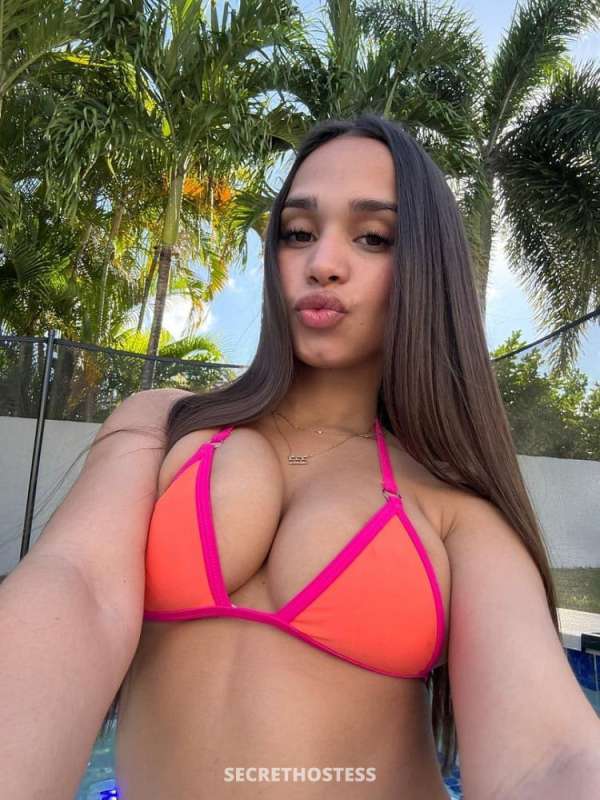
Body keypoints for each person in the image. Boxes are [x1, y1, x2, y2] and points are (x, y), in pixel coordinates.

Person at [2, 114, 599, 800]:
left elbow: (547, 756)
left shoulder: (455, 510)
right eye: (299, 232)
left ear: (424, 267)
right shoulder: (160, 426)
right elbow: (76, 587)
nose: (323, 263)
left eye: (373, 237)